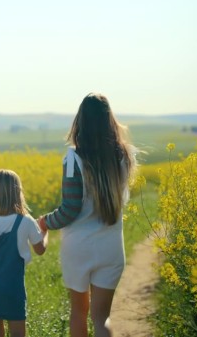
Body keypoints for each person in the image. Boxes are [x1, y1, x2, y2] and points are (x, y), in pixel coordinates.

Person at [38, 93, 138, 337]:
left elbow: (69, 209)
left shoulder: (74, 157)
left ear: (80, 121)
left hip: (79, 247)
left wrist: (45, 222)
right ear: (109, 120)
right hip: (111, 247)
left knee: (78, 314)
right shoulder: (124, 155)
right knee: (101, 318)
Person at [0, 169, 49, 337]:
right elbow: (40, 250)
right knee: (18, 333)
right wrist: (44, 231)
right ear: (18, 193)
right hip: (13, 288)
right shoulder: (26, 221)